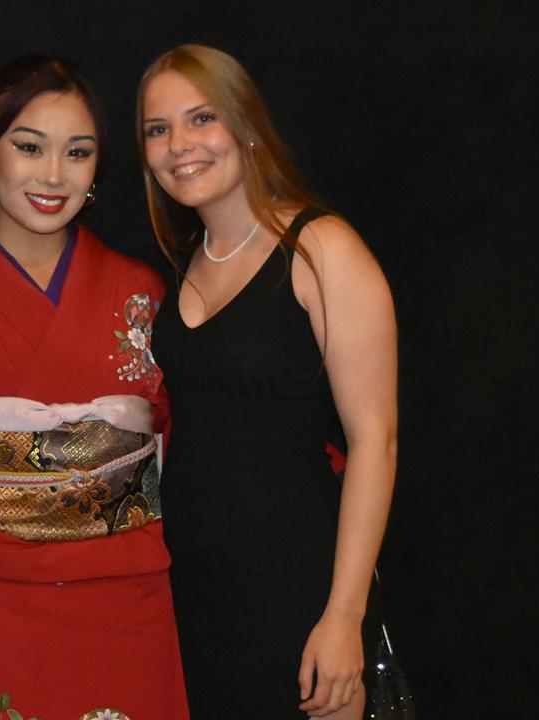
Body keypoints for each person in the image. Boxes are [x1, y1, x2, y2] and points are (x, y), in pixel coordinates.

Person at [0, 56, 189, 720]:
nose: (53, 175)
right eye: (28, 147)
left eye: (78, 152)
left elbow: (177, 447)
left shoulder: (141, 293)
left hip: (125, 593)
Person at [137, 44, 398, 719]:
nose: (178, 145)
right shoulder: (184, 263)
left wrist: (342, 618)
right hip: (193, 596)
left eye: (200, 119)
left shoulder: (322, 249)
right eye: (157, 129)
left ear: (246, 127)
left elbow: (376, 441)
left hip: (296, 595)